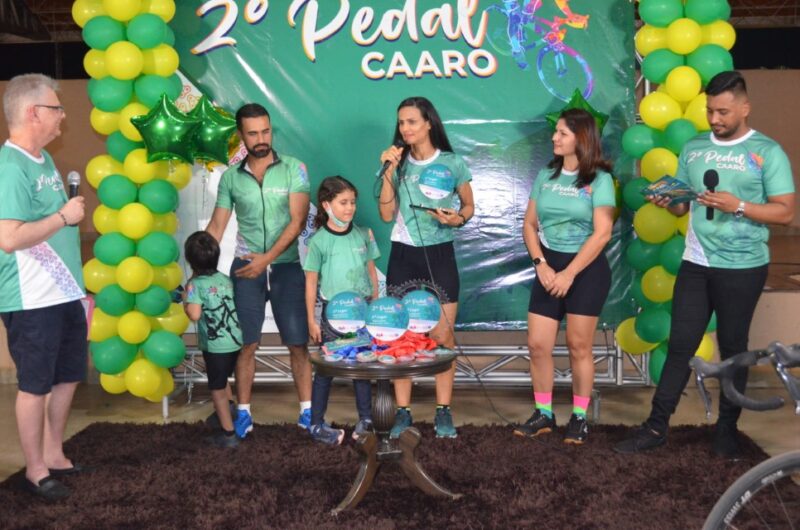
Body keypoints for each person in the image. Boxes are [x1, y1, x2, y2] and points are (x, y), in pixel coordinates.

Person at [614, 71, 796, 458]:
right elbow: (683, 206)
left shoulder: (767, 151)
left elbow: (785, 212)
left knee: (733, 349)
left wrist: (739, 205)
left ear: (744, 108)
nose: (715, 119)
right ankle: (656, 426)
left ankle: (727, 430)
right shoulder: (694, 148)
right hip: (696, 262)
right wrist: (670, 201)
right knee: (680, 344)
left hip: (743, 266)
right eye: (711, 111)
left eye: (723, 112)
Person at [0, 74, 87, 500]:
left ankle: (54, 453)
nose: (62, 116)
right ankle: (35, 470)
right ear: (34, 112)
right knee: (35, 384)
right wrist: (64, 217)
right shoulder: (10, 167)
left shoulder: (45, 159)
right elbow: (9, 238)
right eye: (57, 108)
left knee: (67, 375)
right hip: (31, 297)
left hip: (65, 291)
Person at [206, 103, 312, 438]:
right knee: (246, 344)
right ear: (241, 135)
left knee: (298, 344)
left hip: (285, 266)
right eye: (253, 133)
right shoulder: (230, 178)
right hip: (244, 268)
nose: (261, 139)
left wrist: (265, 260)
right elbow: (217, 226)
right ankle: (244, 414)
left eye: (266, 131)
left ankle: (308, 412)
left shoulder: (295, 168)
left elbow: (297, 222)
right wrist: (200, 268)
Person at [514, 108, 616, 444]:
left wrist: (569, 274)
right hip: (548, 267)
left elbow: (602, 233)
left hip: (585, 270)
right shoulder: (546, 175)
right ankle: (543, 413)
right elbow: (529, 224)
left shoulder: (600, 180)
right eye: (555, 132)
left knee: (578, 345)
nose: (554, 138)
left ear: (581, 138)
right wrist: (541, 264)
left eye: (562, 133)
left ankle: (579, 418)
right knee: (537, 345)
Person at [378, 96, 475, 439]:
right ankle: (403, 412)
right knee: (401, 333)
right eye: (401, 122)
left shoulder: (451, 162)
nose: (405, 128)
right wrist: (389, 170)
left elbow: (468, 207)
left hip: (440, 253)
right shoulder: (397, 162)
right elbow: (386, 215)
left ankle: (443, 411)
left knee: (443, 335)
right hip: (403, 254)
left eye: (412, 122)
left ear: (428, 123)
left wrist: (456, 219)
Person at [303, 176, 379, 445]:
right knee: (326, 370)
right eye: (343, 202)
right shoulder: (319, 241)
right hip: (332, 318)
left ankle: (366, 419)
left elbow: (371, 272)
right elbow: (311, 282)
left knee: (362, 367)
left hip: (361, 314)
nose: (350, 208)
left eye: (353, 202)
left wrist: (375, 306)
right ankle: (316, 423)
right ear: (326, 205)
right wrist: (312, 320)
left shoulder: (364, 235)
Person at [183, 231, 243, 448]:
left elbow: (194, 314)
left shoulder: (195, 285)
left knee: (216, 388)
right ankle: (228, 410)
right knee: (222, 378)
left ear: (190, 260)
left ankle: (228, 434)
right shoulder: (225, 279)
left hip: (216, 345)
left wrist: (186, 301)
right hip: (234, 341)